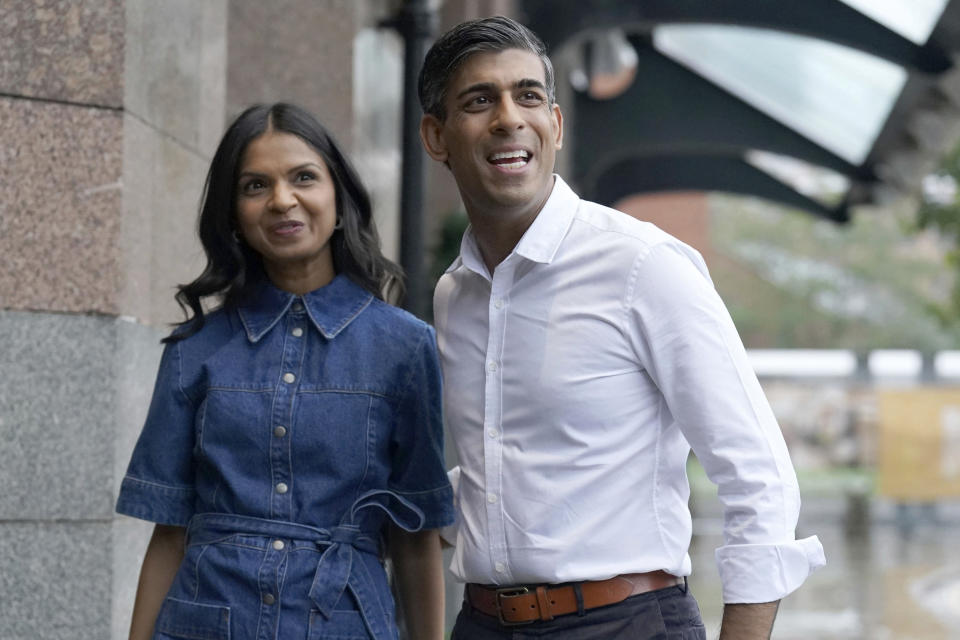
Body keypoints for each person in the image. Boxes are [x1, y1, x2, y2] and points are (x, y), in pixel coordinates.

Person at [418, 16, 825, 639]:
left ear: (555, 125)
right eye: (479, 101)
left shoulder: (643, 267)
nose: (508, 118)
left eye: (528, 95)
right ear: (436, 136)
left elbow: (759, 478)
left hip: (626, 623)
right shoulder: (456, 294)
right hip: (482, 623)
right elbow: (502, 463)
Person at [116, 103, 454, 640]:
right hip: (205, 621)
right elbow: (170, 531)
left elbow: (416, 535)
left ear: (339, 201)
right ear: (233, 216)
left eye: (303, 177)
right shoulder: (194, 349)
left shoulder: (405, 348)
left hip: (343, 622)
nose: (281, 200)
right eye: (255, 186)